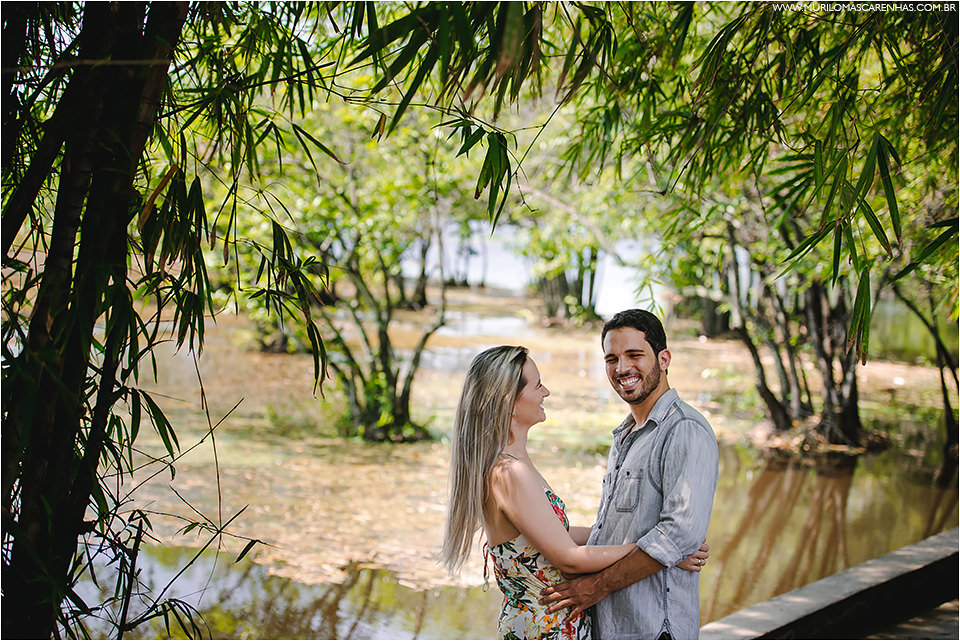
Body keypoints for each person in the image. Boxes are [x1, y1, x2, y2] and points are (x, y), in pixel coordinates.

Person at [441, 345, 709, 640]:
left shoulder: (513, 462)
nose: (547, 393)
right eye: (538, 385)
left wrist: (665, 547)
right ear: (509, 401)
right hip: (544, 630)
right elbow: (570, 558)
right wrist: (660, 552)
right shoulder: (508, 473)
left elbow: (560, 533)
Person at [539, 309, 720, 640]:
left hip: (653, 630)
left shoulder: (685, 430)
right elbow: (614, 532)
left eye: (634, 355)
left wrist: (596, 586)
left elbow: (678, 535)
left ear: (664, 359)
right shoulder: (625, 436)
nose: (622, 369)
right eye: (611, 359)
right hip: (612, 627)